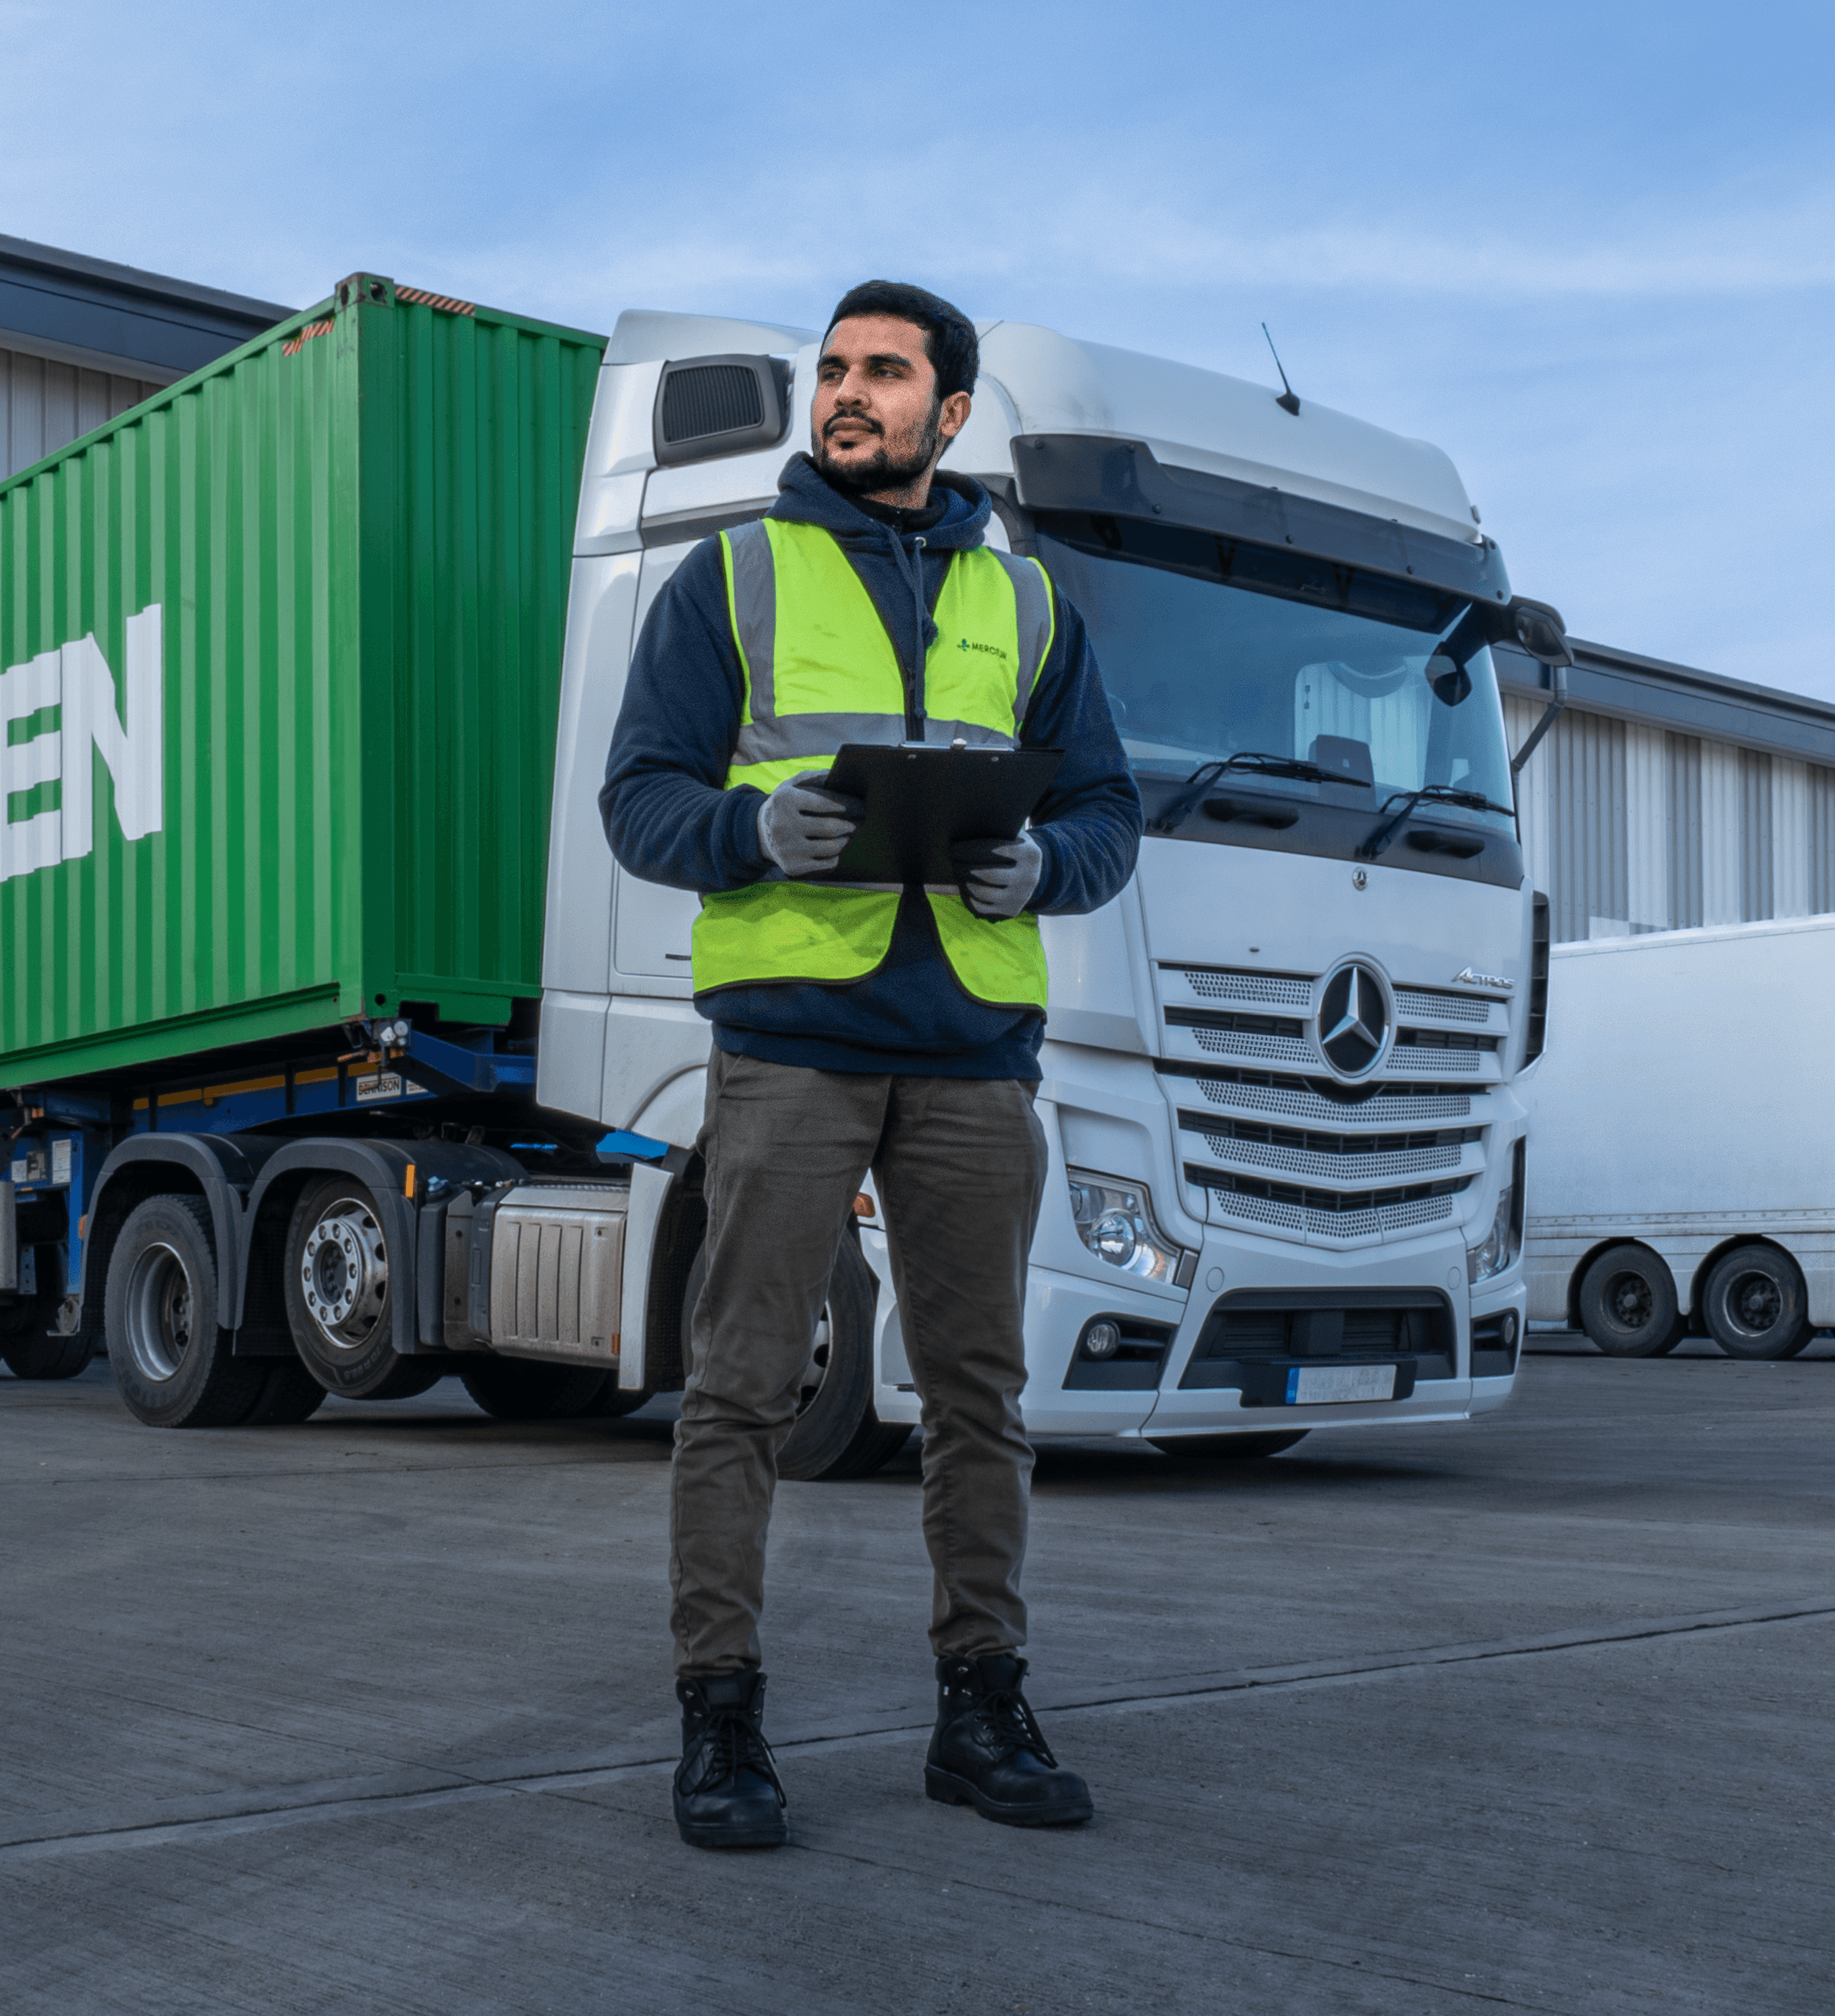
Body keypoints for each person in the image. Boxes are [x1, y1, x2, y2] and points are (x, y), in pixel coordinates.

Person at [600, 280, 1143, 1850]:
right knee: (740, 1393)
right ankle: (719, 1722)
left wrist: (1044, 868)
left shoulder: (1030, 605)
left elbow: (1107, 813)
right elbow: (638, 800)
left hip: (975, 1060)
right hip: (790, 1050)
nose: (844, 392)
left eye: (881, 373)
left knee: (978, 1397)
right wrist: (746, 830)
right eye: (829, 369)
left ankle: (981, 1709)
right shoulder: (730, 580)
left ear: (949, 413)